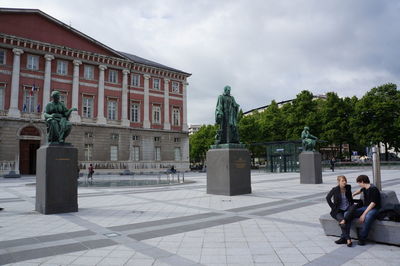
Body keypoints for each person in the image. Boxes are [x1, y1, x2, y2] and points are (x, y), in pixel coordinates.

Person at [326, 175, 357, 247]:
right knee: (343, 221)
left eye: (345, 180)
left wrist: (352, 203)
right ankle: (348, 239)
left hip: (348, 208)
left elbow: (350, 198)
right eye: (342, 181)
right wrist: (333, 207)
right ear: (338, 182)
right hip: (338, 210)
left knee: (347, 216)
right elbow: (328, 198)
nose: (344, 182)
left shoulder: (348, 187)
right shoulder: (335, 189)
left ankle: (344, 238)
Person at [352, 175, 381, 245]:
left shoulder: (374, 189)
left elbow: (373, 204)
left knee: (368, 217)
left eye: (359, 183)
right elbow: (359, 190)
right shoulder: (365, 188)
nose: (359, 185)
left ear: (362, 181)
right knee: (350, 213)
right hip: (365, 207)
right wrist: (353, 194)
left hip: (374, 208)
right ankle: (346, 236)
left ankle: (362, 238)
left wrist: (363, 214)